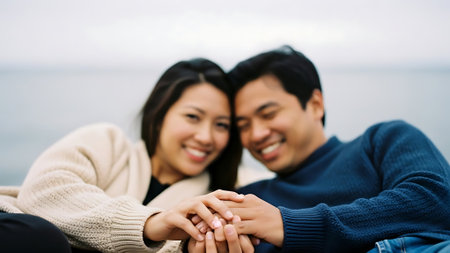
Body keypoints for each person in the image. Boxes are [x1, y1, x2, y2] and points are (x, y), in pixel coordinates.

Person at [194, 45, 450, 253]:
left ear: (316, 104)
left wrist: (287, 225)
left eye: (269, 114)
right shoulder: (247, 201)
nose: (256, 134)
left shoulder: (383, 140)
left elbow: (436, 200)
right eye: (243, 126)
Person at [0, 58, 244, 252]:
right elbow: (44, 191)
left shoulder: (220, 200)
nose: (206, 137)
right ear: (159, 115)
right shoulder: (108, 142)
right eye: (193, 117)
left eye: (221, 125)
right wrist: (151, 224)